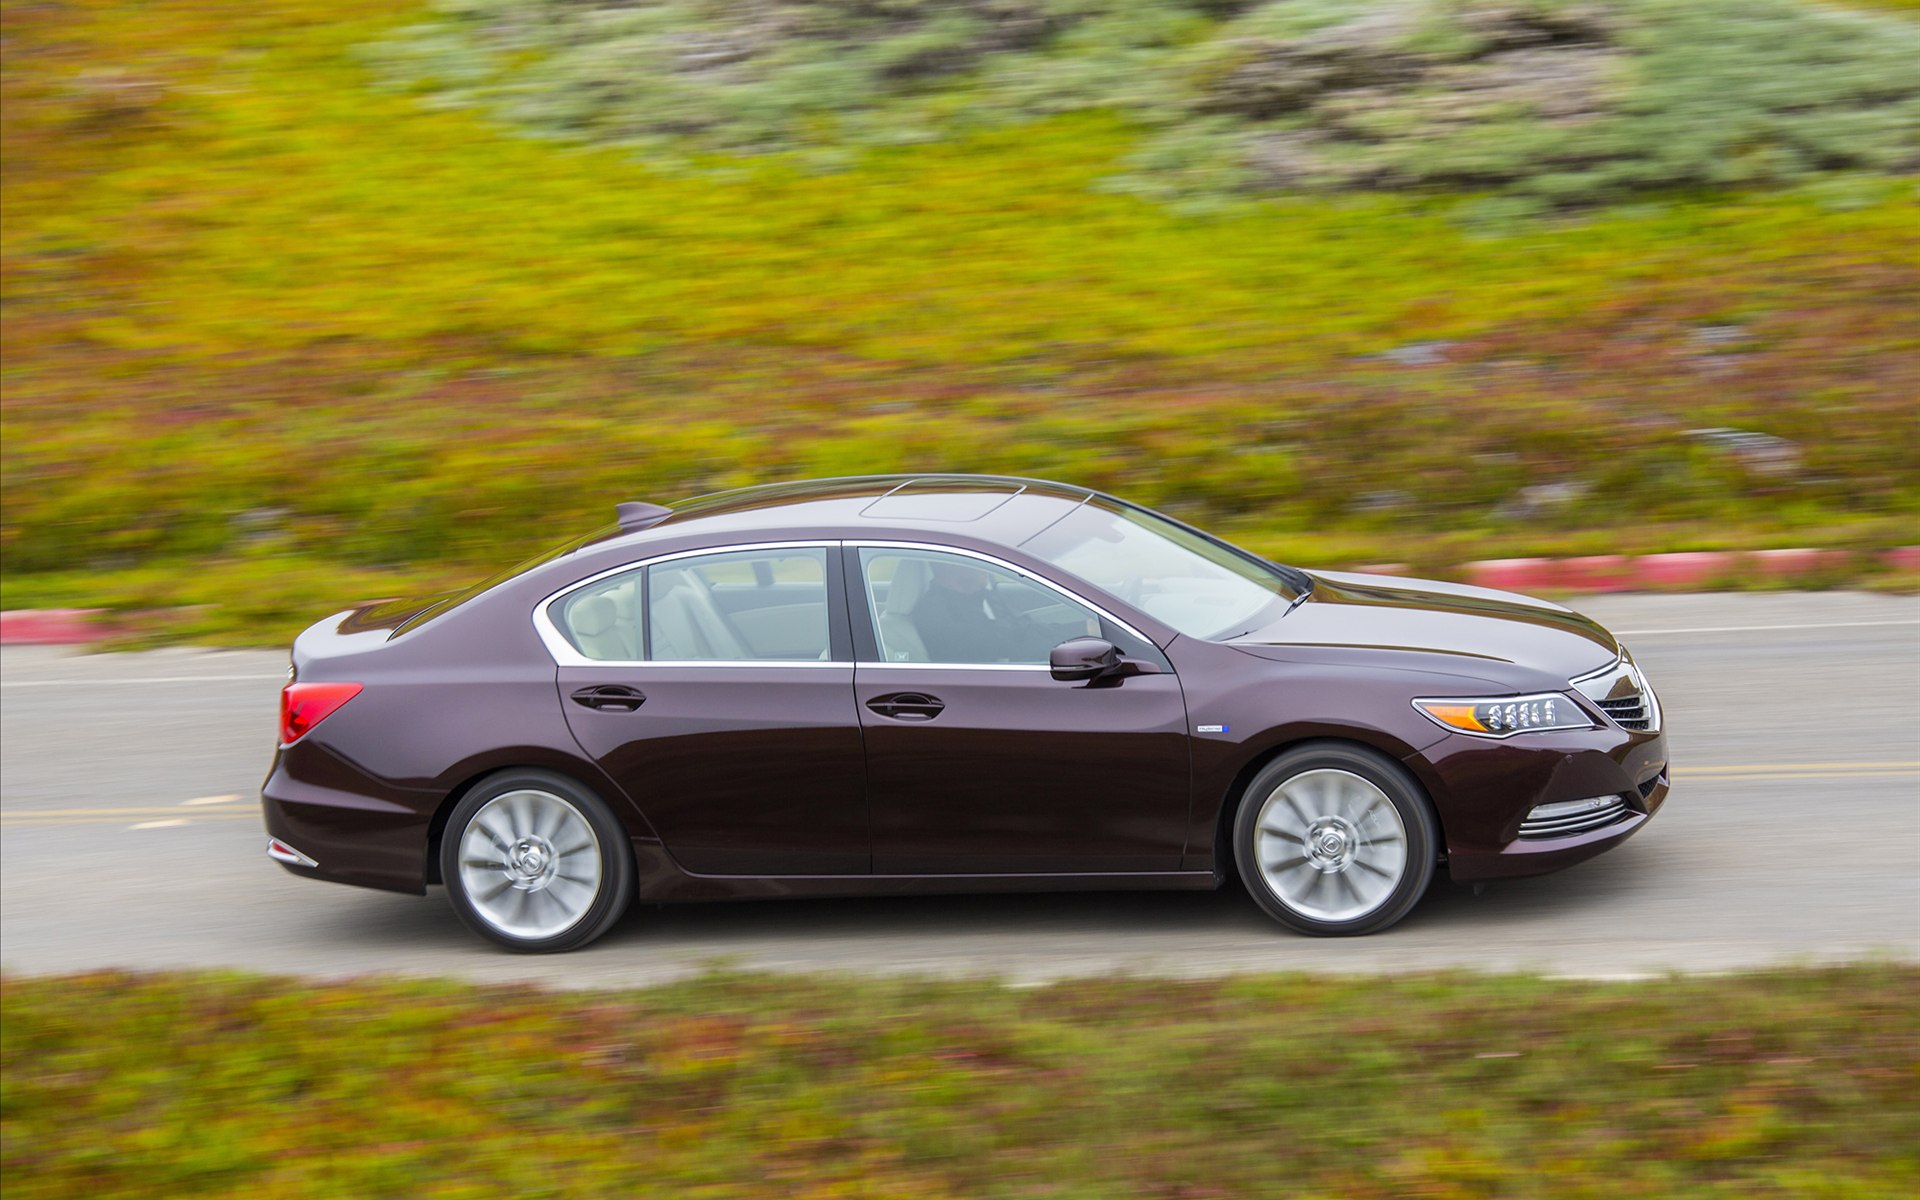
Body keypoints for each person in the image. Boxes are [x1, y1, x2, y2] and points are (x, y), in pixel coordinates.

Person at [911, 560, 1045, 664]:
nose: (984, 567)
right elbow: (1011, 646)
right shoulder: (938, 616)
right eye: (974, 562)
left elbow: (1025, 628)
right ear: (950, 565)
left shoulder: (983, 596)